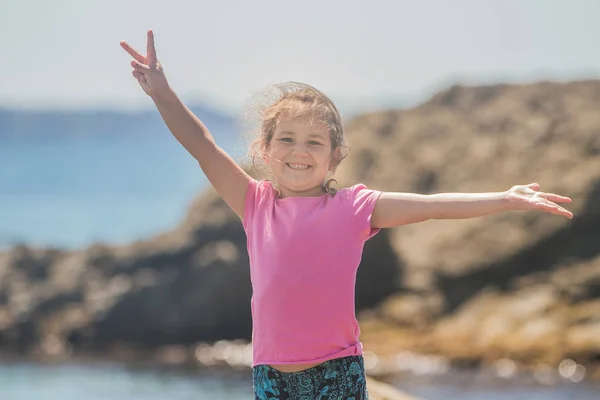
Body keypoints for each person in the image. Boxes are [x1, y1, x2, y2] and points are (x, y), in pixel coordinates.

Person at [120, 30, 574, 400]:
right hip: (270, 379)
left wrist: (505, 198)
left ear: (335, 157)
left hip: (336, 375)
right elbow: (202, 146)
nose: (299, 152)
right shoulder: (254, 204)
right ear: (264, 150)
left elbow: (434, 206)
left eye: (314, 142)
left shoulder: (354, 207)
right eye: (287, 140)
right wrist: (161, 92)